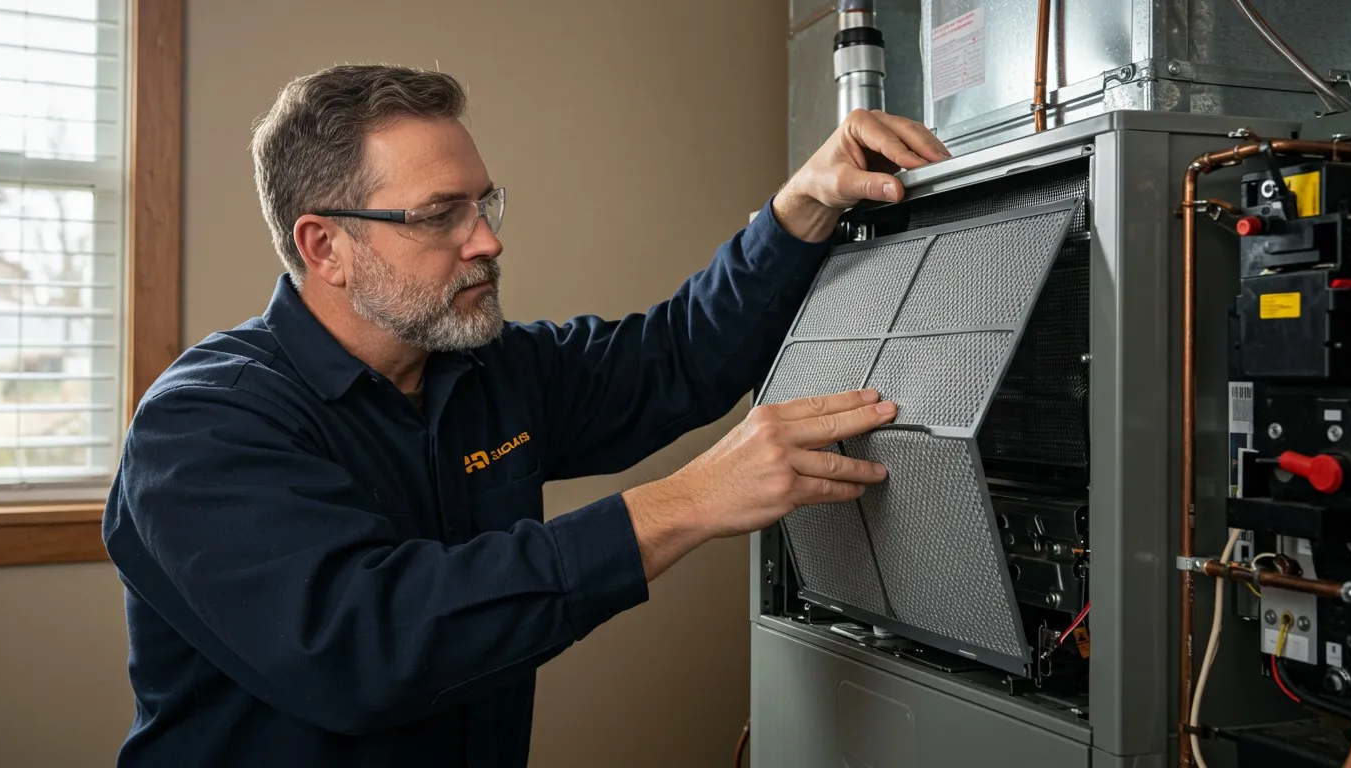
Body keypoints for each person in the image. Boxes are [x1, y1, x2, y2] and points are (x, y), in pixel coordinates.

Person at [101, 63, 950, 767]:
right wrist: (685, 502)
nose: (487, 241)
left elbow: (678, 356)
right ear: (325, 246)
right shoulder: (203, 427)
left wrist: (800, 207)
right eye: (441, 216)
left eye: (484, 204)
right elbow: (364, 648)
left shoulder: (483, 368)